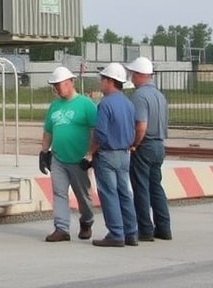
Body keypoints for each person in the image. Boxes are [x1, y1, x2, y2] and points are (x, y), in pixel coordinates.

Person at [38, 66, 97, 242]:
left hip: (79, 159)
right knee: (59, 193)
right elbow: (48, 131)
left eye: (60, 84)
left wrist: (91, 154)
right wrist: (43, 152)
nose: (57, 88)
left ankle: (87, 220)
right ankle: (61, 228)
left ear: (71, 82)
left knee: (83, 196)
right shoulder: (54, 106)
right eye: (54, 85)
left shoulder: (86, 105)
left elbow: (95, 132)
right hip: (58, 157)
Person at [86, 62, 138, 247]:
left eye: (103, 79)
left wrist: (90, 153)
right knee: (125, 193)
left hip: (107, 155)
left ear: (110, 81)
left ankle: (116, 233)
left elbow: (100, 133)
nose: (100, 82)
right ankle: (131, 232)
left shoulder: (105, 104)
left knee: (109, 194)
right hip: (124, 155)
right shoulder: (128, 104)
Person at [127, 56, 172, 241]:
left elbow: (141, 125)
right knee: (156, 187)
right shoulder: (159, 95)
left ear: (139, 75)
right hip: (159, 145)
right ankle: (164, 227)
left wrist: (135, 144)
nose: (131, 78)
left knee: (141, 188)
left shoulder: (139, 96)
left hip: (144, 146)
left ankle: (145, 229)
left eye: (132, 74)